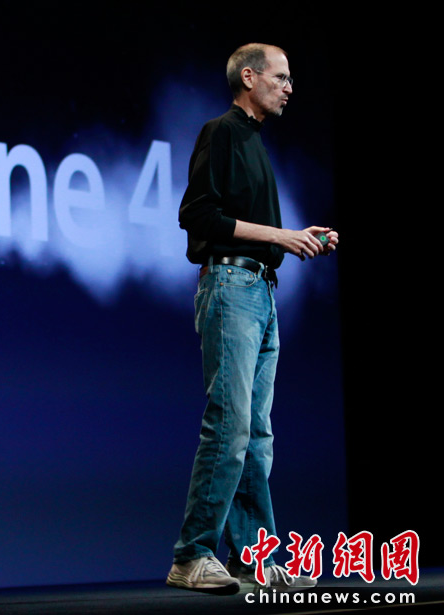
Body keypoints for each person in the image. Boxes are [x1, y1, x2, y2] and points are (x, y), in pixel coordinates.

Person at [166, 43, 338, 594]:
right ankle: (192, 555)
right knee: (231, 423)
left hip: (261, 291)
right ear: (249, 77)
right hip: (231, 287)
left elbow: (259, 229)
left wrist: (298, 238)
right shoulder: (220, 132)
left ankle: (253, 559)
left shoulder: (256, 143)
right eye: (281, 77)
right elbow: (197, 215)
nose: (289, 87)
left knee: (257, 433)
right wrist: (279, 236)